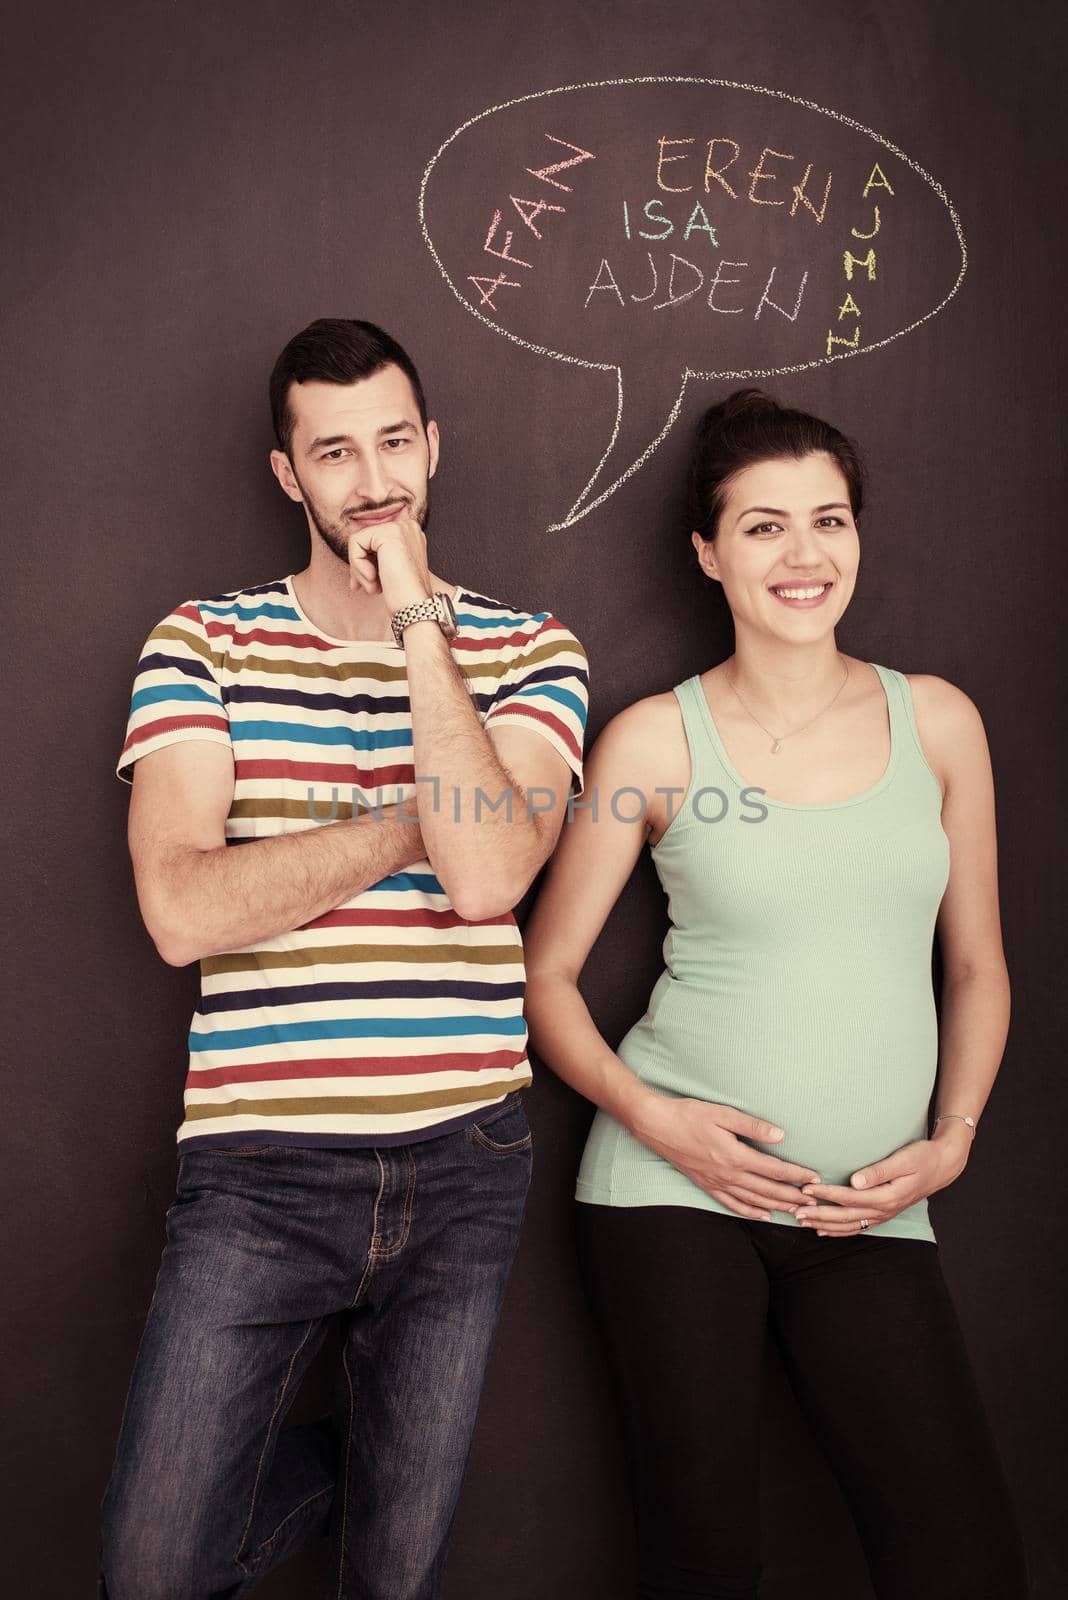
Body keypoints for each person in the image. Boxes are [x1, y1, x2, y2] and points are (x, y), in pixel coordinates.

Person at [99, 317, 589, 1600]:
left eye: (392, 443)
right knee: (153, 1570)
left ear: (432, 447)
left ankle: (384, 1469)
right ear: (286, 475)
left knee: (394, 1577)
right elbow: (183, 912)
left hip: (464, 1159)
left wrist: (421, 620)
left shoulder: (532, 648)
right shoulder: (202, 642)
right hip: (259, 1167)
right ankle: (362, 1455)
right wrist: (415, 817)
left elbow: (489, 880)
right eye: (333, 452)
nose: (372, 482)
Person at [522, 389, 1029, 1599]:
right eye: (763, 527)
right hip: (670, 1193)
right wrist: (657, 1118)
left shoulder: (941, 723)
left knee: (965, 1559)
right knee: (701, 1561)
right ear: (707, 551)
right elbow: (544, 976)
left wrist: (952, 1142)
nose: (804, 555)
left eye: (829, 520)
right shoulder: (653, 741)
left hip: (866, 1206)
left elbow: (977, 966)